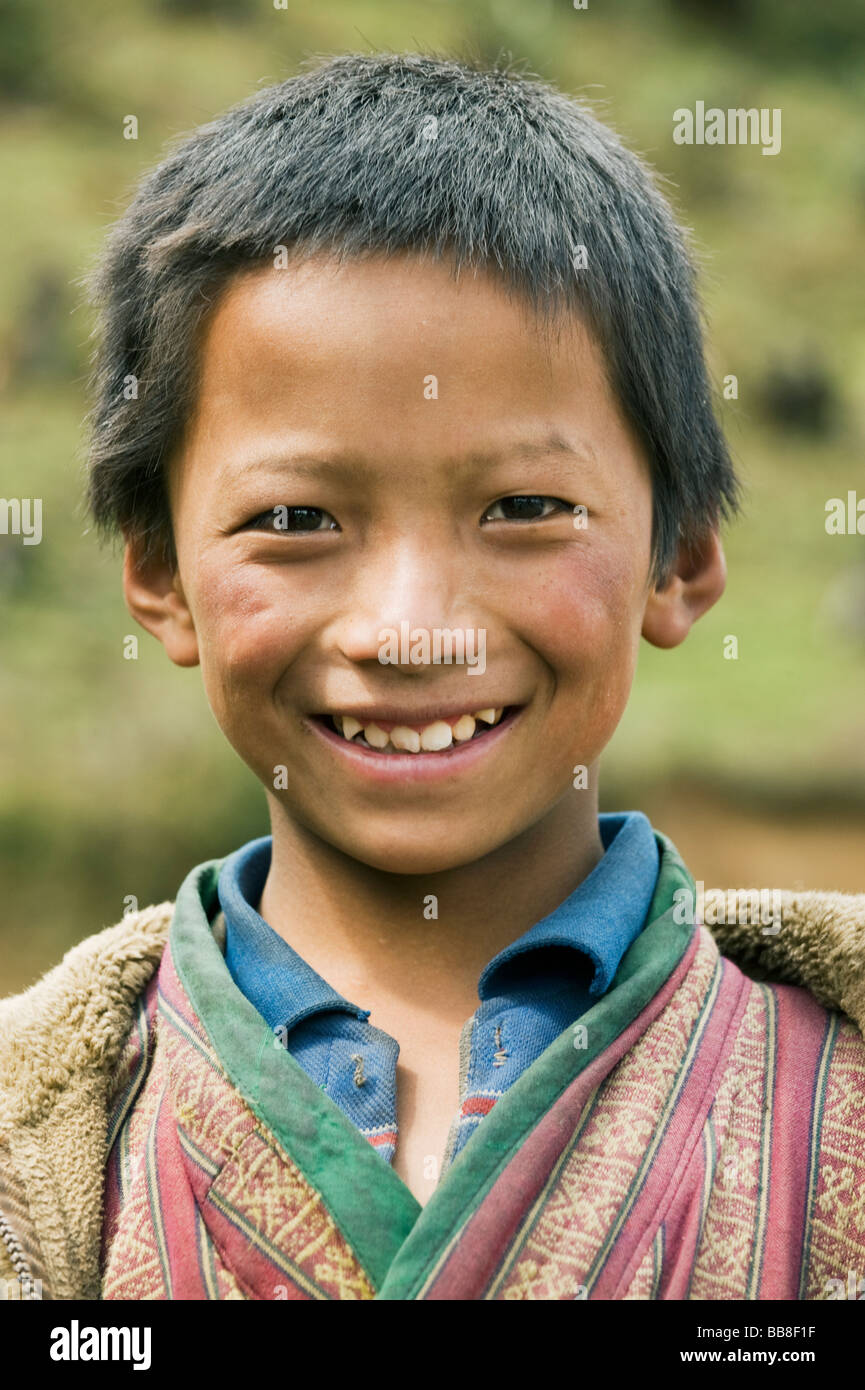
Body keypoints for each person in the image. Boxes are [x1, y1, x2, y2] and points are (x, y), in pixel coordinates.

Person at [2, 52, 864, 1302]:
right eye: (296, 520)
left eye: (523, 507)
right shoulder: (42, 1154)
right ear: (160, 572)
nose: (410, 631)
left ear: (677, 559)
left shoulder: (830, 1102)